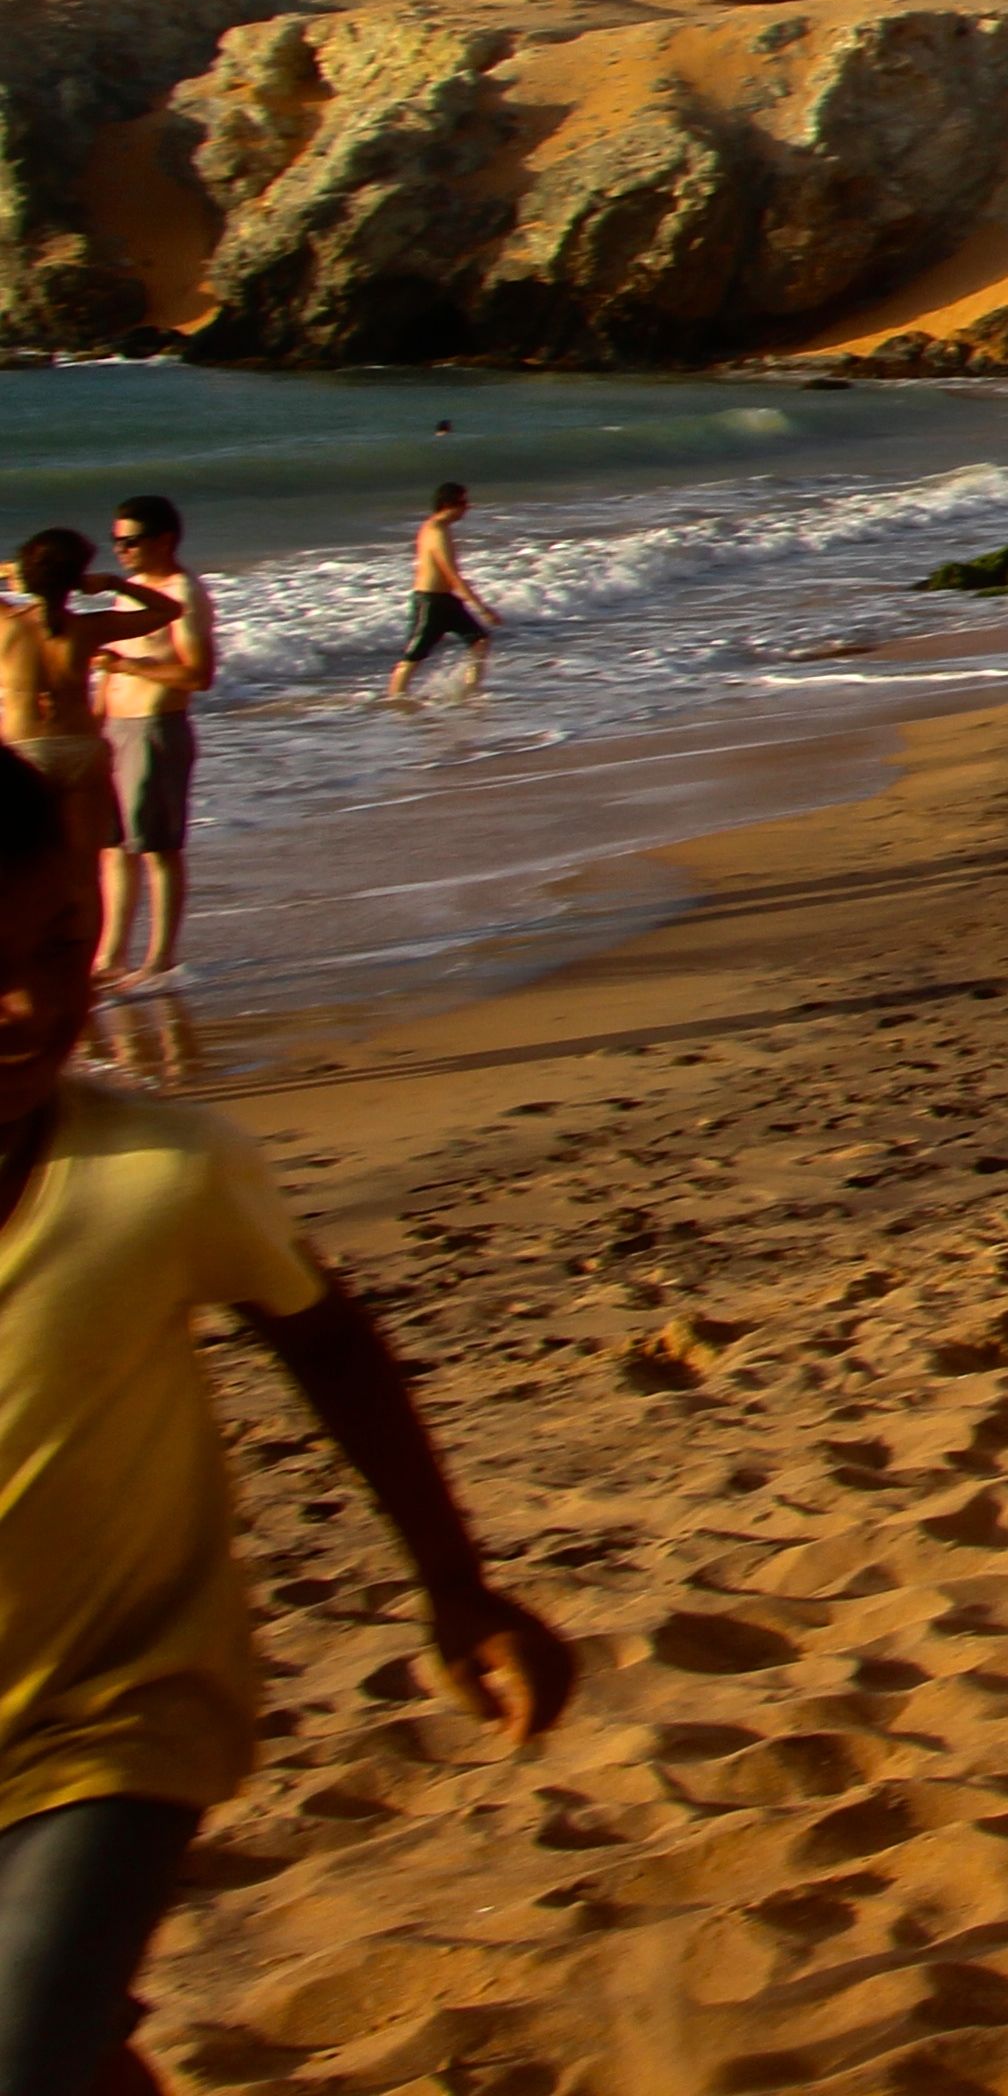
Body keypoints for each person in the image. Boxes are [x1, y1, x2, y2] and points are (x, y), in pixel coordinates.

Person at [0, 754, 579, 2093]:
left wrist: (458, 1588)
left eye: (59, 947)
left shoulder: (159, 1177)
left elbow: (329, 1344)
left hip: (119, 1718)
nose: (32, 1001)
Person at [92, 499, 216, 992]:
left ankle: (160, 958)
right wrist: (97, 717)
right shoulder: (135, 592)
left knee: (156, 848)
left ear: (163, 540)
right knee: (113, 848)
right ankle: (110, 955)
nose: (120, 550)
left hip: (157, 726)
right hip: (117, 729)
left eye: (130, 541)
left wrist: (128, 669)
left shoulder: (182, 591)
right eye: (116, 541)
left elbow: (199, 674)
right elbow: (112, 660)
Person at [0, 536, 173, 865]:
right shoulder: (89, 627)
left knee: (23, 869)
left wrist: (7, 572)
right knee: (84, 868)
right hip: (82, 748)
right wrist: (113, 583)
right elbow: (168, 609)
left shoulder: (6, 625)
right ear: (76, 578)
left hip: (25, 753)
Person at [379, 485, 498, 705]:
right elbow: (452, 575)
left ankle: (468, 693)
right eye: (463, 503)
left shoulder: (442, 528)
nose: (467, 509)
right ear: (448, 504)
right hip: (431, 602)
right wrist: (482, 608)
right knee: (413, 657)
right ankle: (393, 700)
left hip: (447, 601)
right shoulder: (436, 530)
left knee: (480, 641)